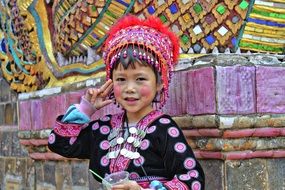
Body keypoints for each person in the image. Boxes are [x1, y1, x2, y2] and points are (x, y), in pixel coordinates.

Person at [48, 15, 205, 190]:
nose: (130, 88)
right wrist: (85, 109)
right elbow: (59, 144)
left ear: (160, 83)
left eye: (140, 79)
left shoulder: (164, 128)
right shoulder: (103, 128)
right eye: (121, 79)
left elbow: (192, 180)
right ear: (110, 82)